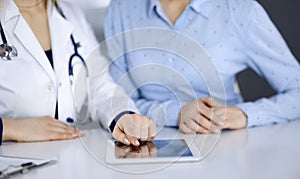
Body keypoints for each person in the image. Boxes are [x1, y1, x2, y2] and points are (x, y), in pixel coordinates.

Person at [104, 0, 300, 134]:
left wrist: (245, 115)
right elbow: (117, 101)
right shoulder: (121, 8)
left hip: (225, 145)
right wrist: (177, 113)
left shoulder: (240, 11)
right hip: (144, 149)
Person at [0, 0, 156, 146]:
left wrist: (123, 116)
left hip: (69, 158)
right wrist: (8, 128)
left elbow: (100, 86)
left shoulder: (71, 15)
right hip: (11, 163)